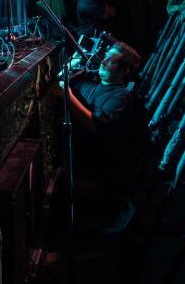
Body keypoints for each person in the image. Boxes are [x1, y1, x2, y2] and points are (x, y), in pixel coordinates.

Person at [51, 41, 146, 234]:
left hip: (98, 170)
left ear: (125, 71)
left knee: (57, 189)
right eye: (105, 57)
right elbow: (60, 80)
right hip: (80, 161)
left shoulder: (121, 97)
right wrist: (72, 63)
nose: (103, 62)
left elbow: (96, 126)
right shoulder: (91, 82)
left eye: (111, 61)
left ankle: (114, 208)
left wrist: (68, 97)